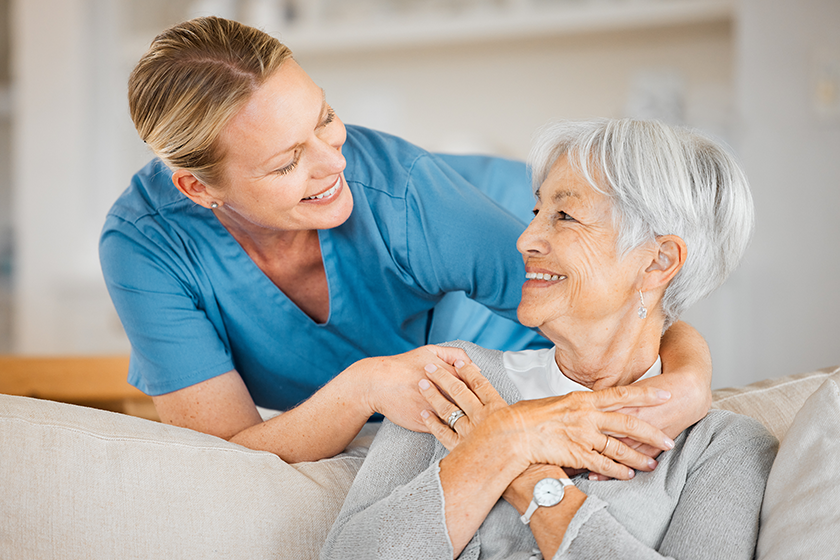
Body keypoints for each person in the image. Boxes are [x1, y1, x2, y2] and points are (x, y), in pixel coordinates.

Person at [100, 16, 712, 463]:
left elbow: (635, 300)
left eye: (324, 119)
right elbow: (229, 455)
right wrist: (366, 383)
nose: (332, 164)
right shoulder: (146, 246)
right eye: (288, 162)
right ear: (199, 190)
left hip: (507, 235)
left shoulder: (403, 196)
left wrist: (690, 374)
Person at [322, 119, 777, 560]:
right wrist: (505, 437)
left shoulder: (724, 448)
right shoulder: (454, 379)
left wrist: (526, 472)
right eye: (537, 211)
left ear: (657, 261)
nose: (525, 239)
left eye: (565, 215)